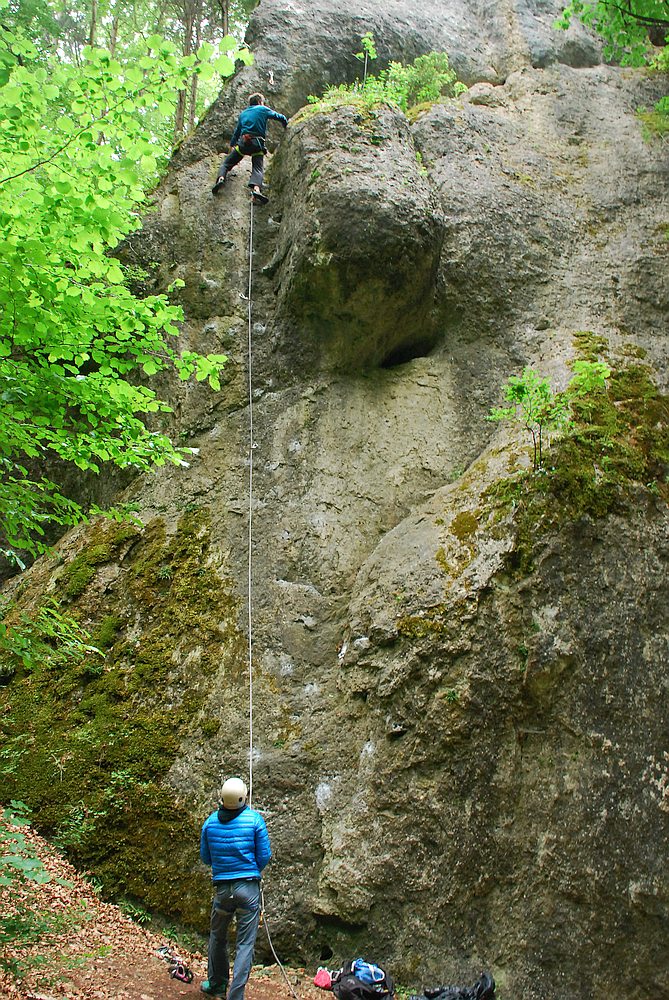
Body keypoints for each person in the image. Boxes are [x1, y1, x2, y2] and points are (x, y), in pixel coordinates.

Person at [199, 776, 272, 998]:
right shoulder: (254, 820)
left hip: (223, 890)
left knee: (217, 937)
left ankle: (217, 984)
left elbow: (206, 857)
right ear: (243, 797)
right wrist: (250, 872)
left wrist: (224, 867)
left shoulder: (210, 823)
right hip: (247, 889)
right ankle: (235, 996)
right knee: (245, 944)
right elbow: (264, 855)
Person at [212, 92, 288, 204]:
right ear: (259, 102)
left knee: (226, 164)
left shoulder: (243, 114)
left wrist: (232, 145)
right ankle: (256, 190)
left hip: (243, 144)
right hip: (257, 144)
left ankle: (221, 179)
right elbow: (280, 117)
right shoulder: (262, 109)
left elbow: (237, 132)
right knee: (257, 168)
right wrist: (286, 125)